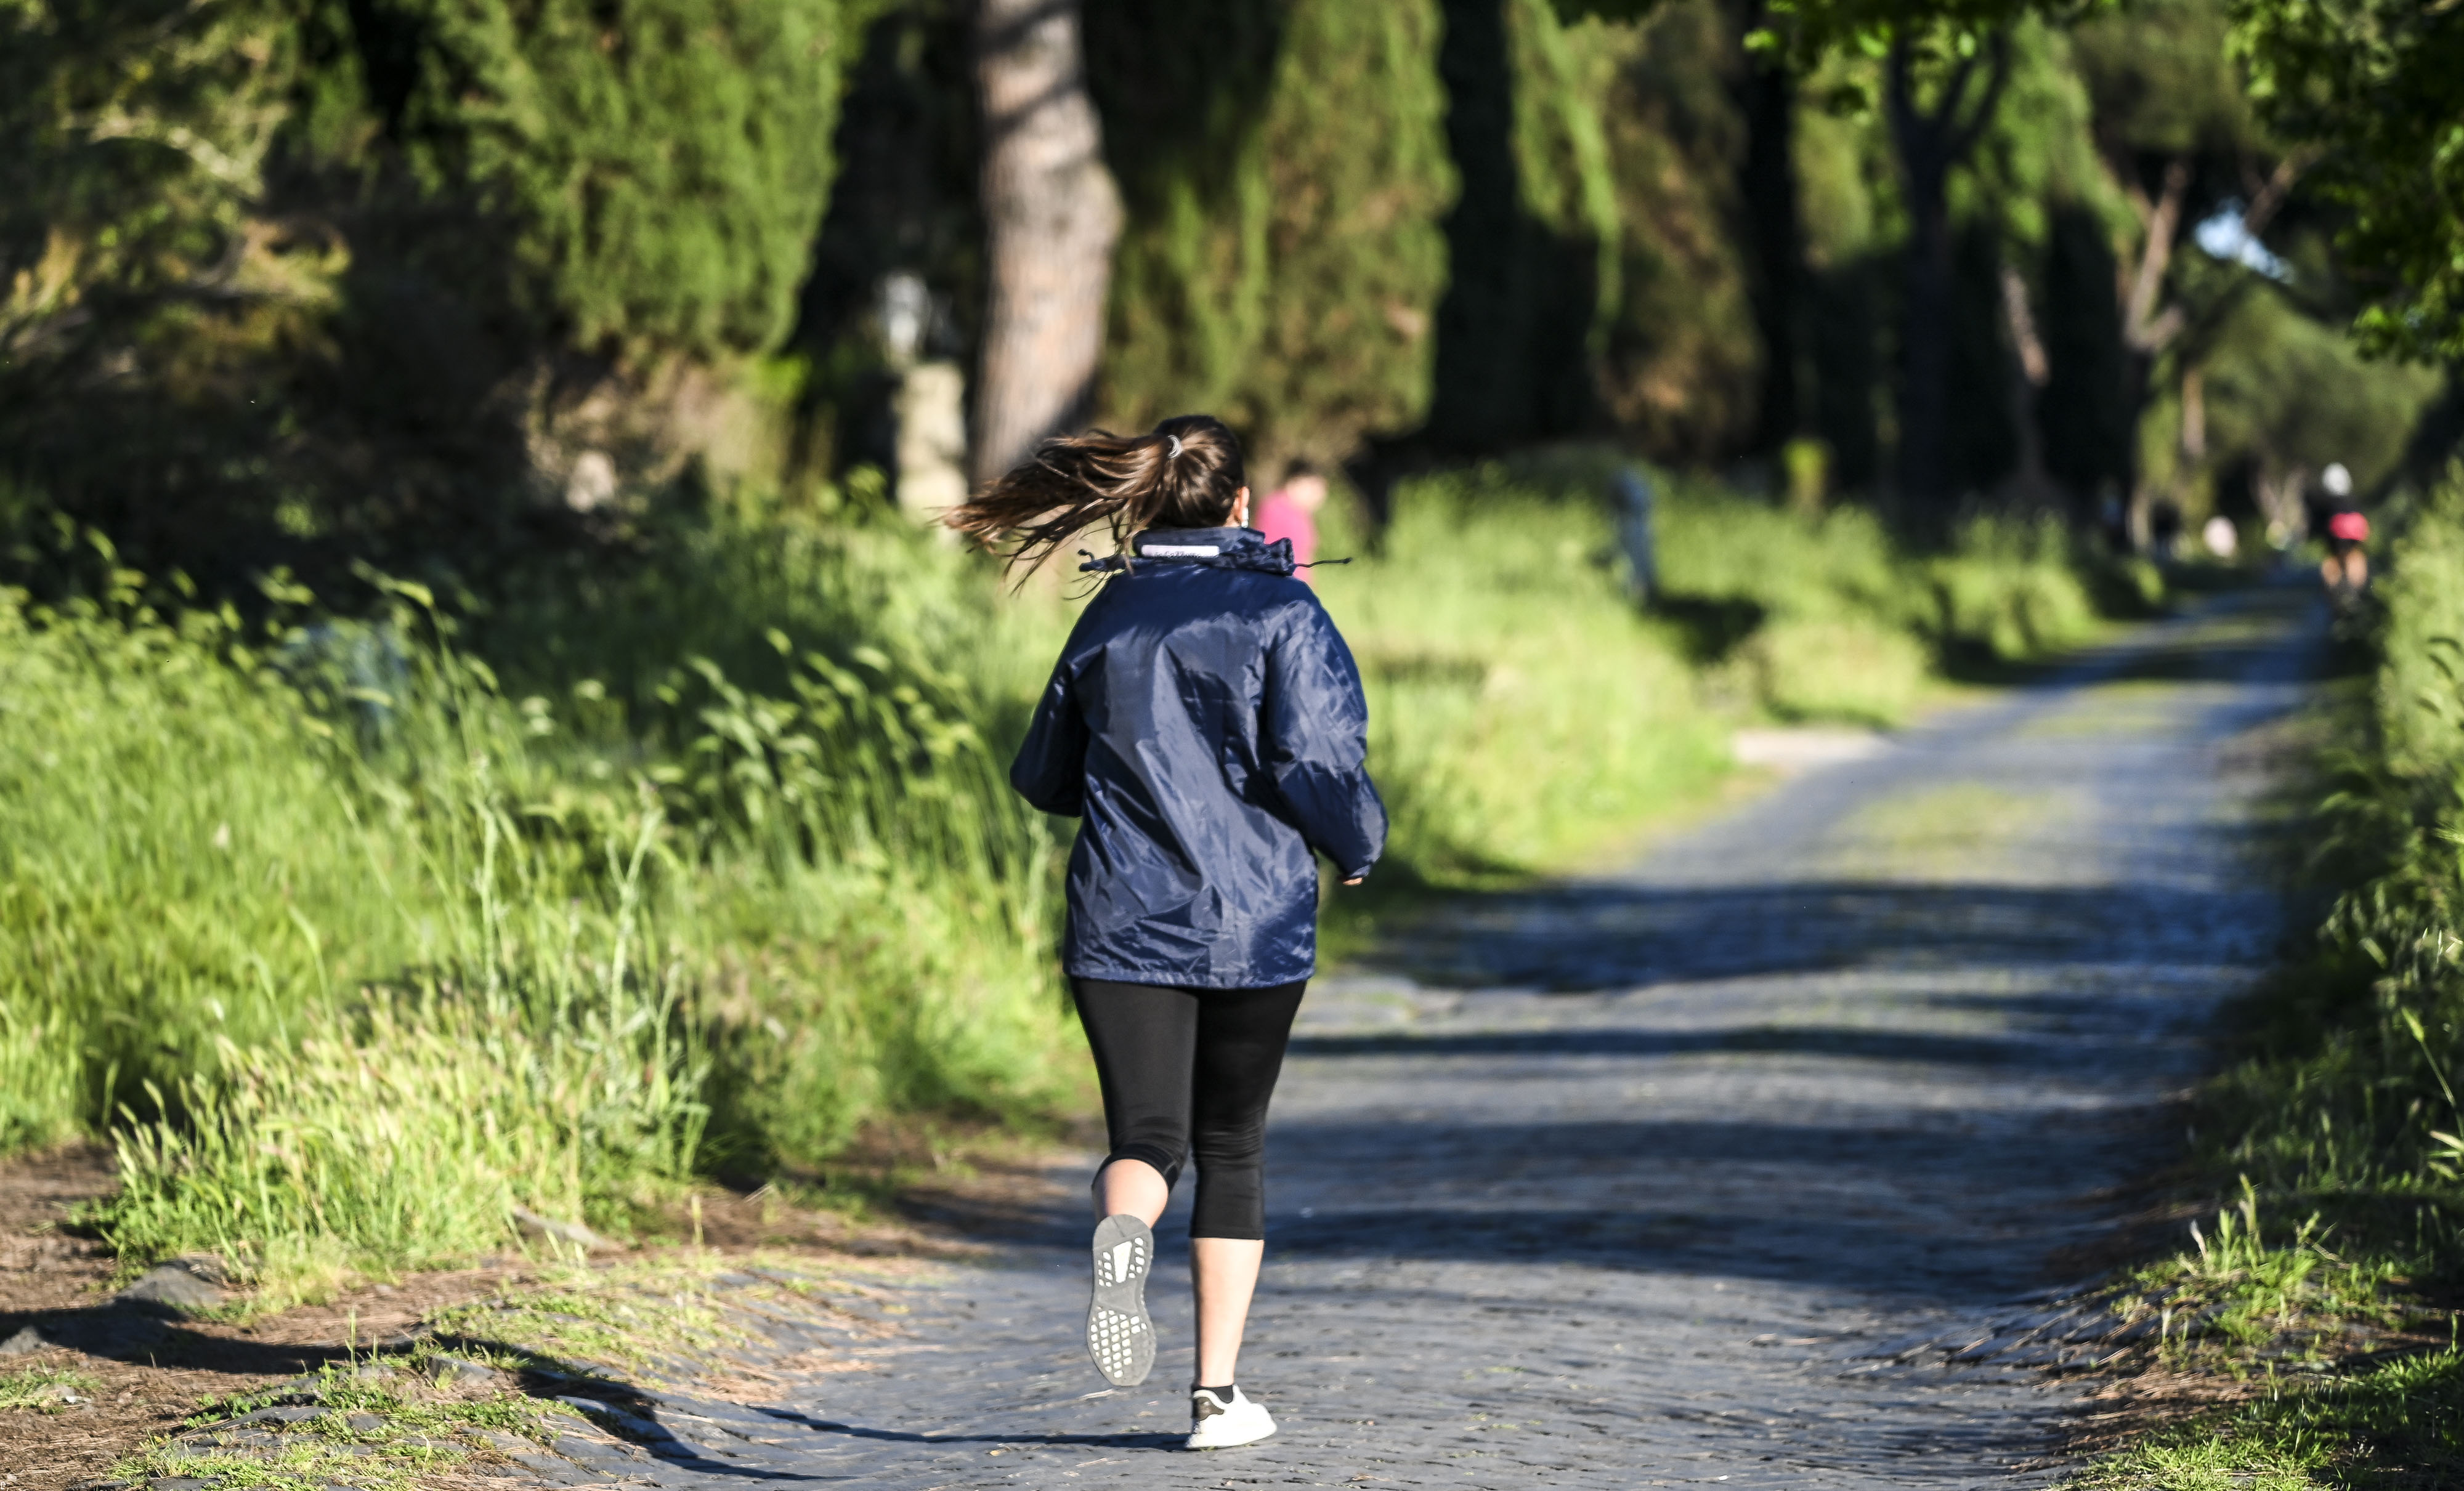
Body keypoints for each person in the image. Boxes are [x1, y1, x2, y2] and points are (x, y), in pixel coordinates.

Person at [945, 414, 1387, 1452]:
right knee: (1232, 1145)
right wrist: (1356, 842)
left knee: (1147, 1139)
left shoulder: (1112, 615)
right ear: (1240, 505)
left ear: (1145, 502)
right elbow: (1315, 761)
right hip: (1254, 922)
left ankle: (1124, 1230)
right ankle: (1214, 1397)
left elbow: (1042, 773)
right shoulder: (1285, 608)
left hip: (1118, 917)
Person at [1253, 461, 1326, 580]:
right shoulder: (1274, 507)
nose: (1318, 496)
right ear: (1298, 481)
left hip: (1297, 587)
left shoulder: (1302, 513)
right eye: (1314, 488)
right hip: (1281, 586)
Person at [2318, 462, 2369, 603]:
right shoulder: (2354, 500)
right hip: (2355, 539)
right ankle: (2360, 593)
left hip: (2336, 541)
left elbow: (2322, 527)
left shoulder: (2326, 504)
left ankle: (2334, 594)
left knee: (2331, 561)